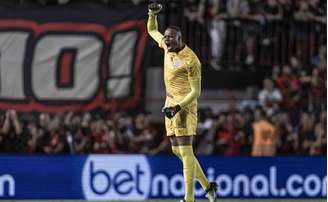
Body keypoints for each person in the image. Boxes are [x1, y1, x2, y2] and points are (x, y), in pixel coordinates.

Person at [147, 2, 217, 202]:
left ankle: (189, 198)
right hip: (170, 103)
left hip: (184, 106)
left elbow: (196, 91)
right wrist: (152, 14)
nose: (167, 40)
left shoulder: (191, 60)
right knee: (177, 150)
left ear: (180, 39)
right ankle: (208, 187)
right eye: (166, 36)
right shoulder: (166, 47)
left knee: (186, 150)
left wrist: (178, 107)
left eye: (171, 37)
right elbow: (152, 30)